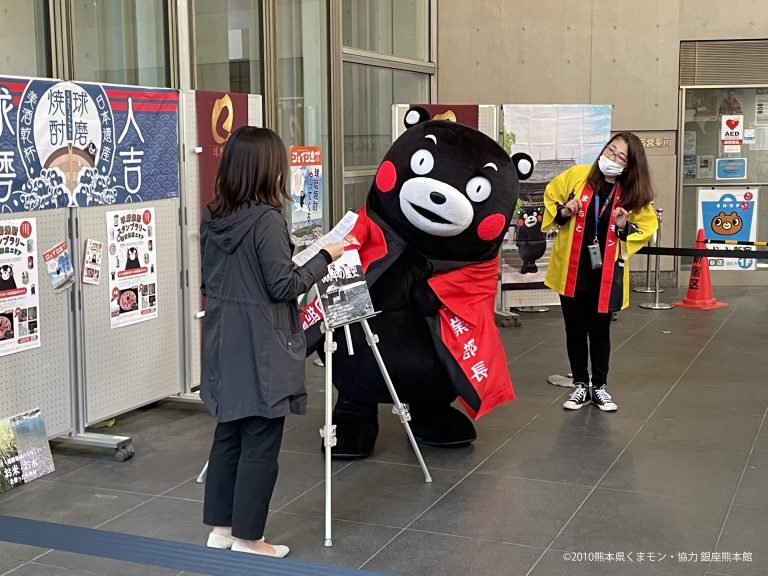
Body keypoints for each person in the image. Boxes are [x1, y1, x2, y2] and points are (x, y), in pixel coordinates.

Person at [199, 126, 344, 557]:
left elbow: (212, 278)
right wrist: (325, 257)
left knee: (229, 432)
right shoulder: (266, 220)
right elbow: (283, 285)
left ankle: (222, 530)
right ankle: (249, 539)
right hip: (262, 340)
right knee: (261, 438)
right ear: (267, 168)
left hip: (224, 336)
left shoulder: (213, 214)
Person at [542, 132, 657, 412]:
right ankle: (581, 384)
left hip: (605, 274)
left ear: (630, 165)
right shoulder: (577, 176)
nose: (612, 159)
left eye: (621, 157)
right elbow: (550, 197)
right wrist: (565, 212)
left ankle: (600, 386)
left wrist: (622, 226)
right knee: (574, 329)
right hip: (572, 267)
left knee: (600, 330)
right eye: (611, 150)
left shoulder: (632, 195)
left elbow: (647, 227)